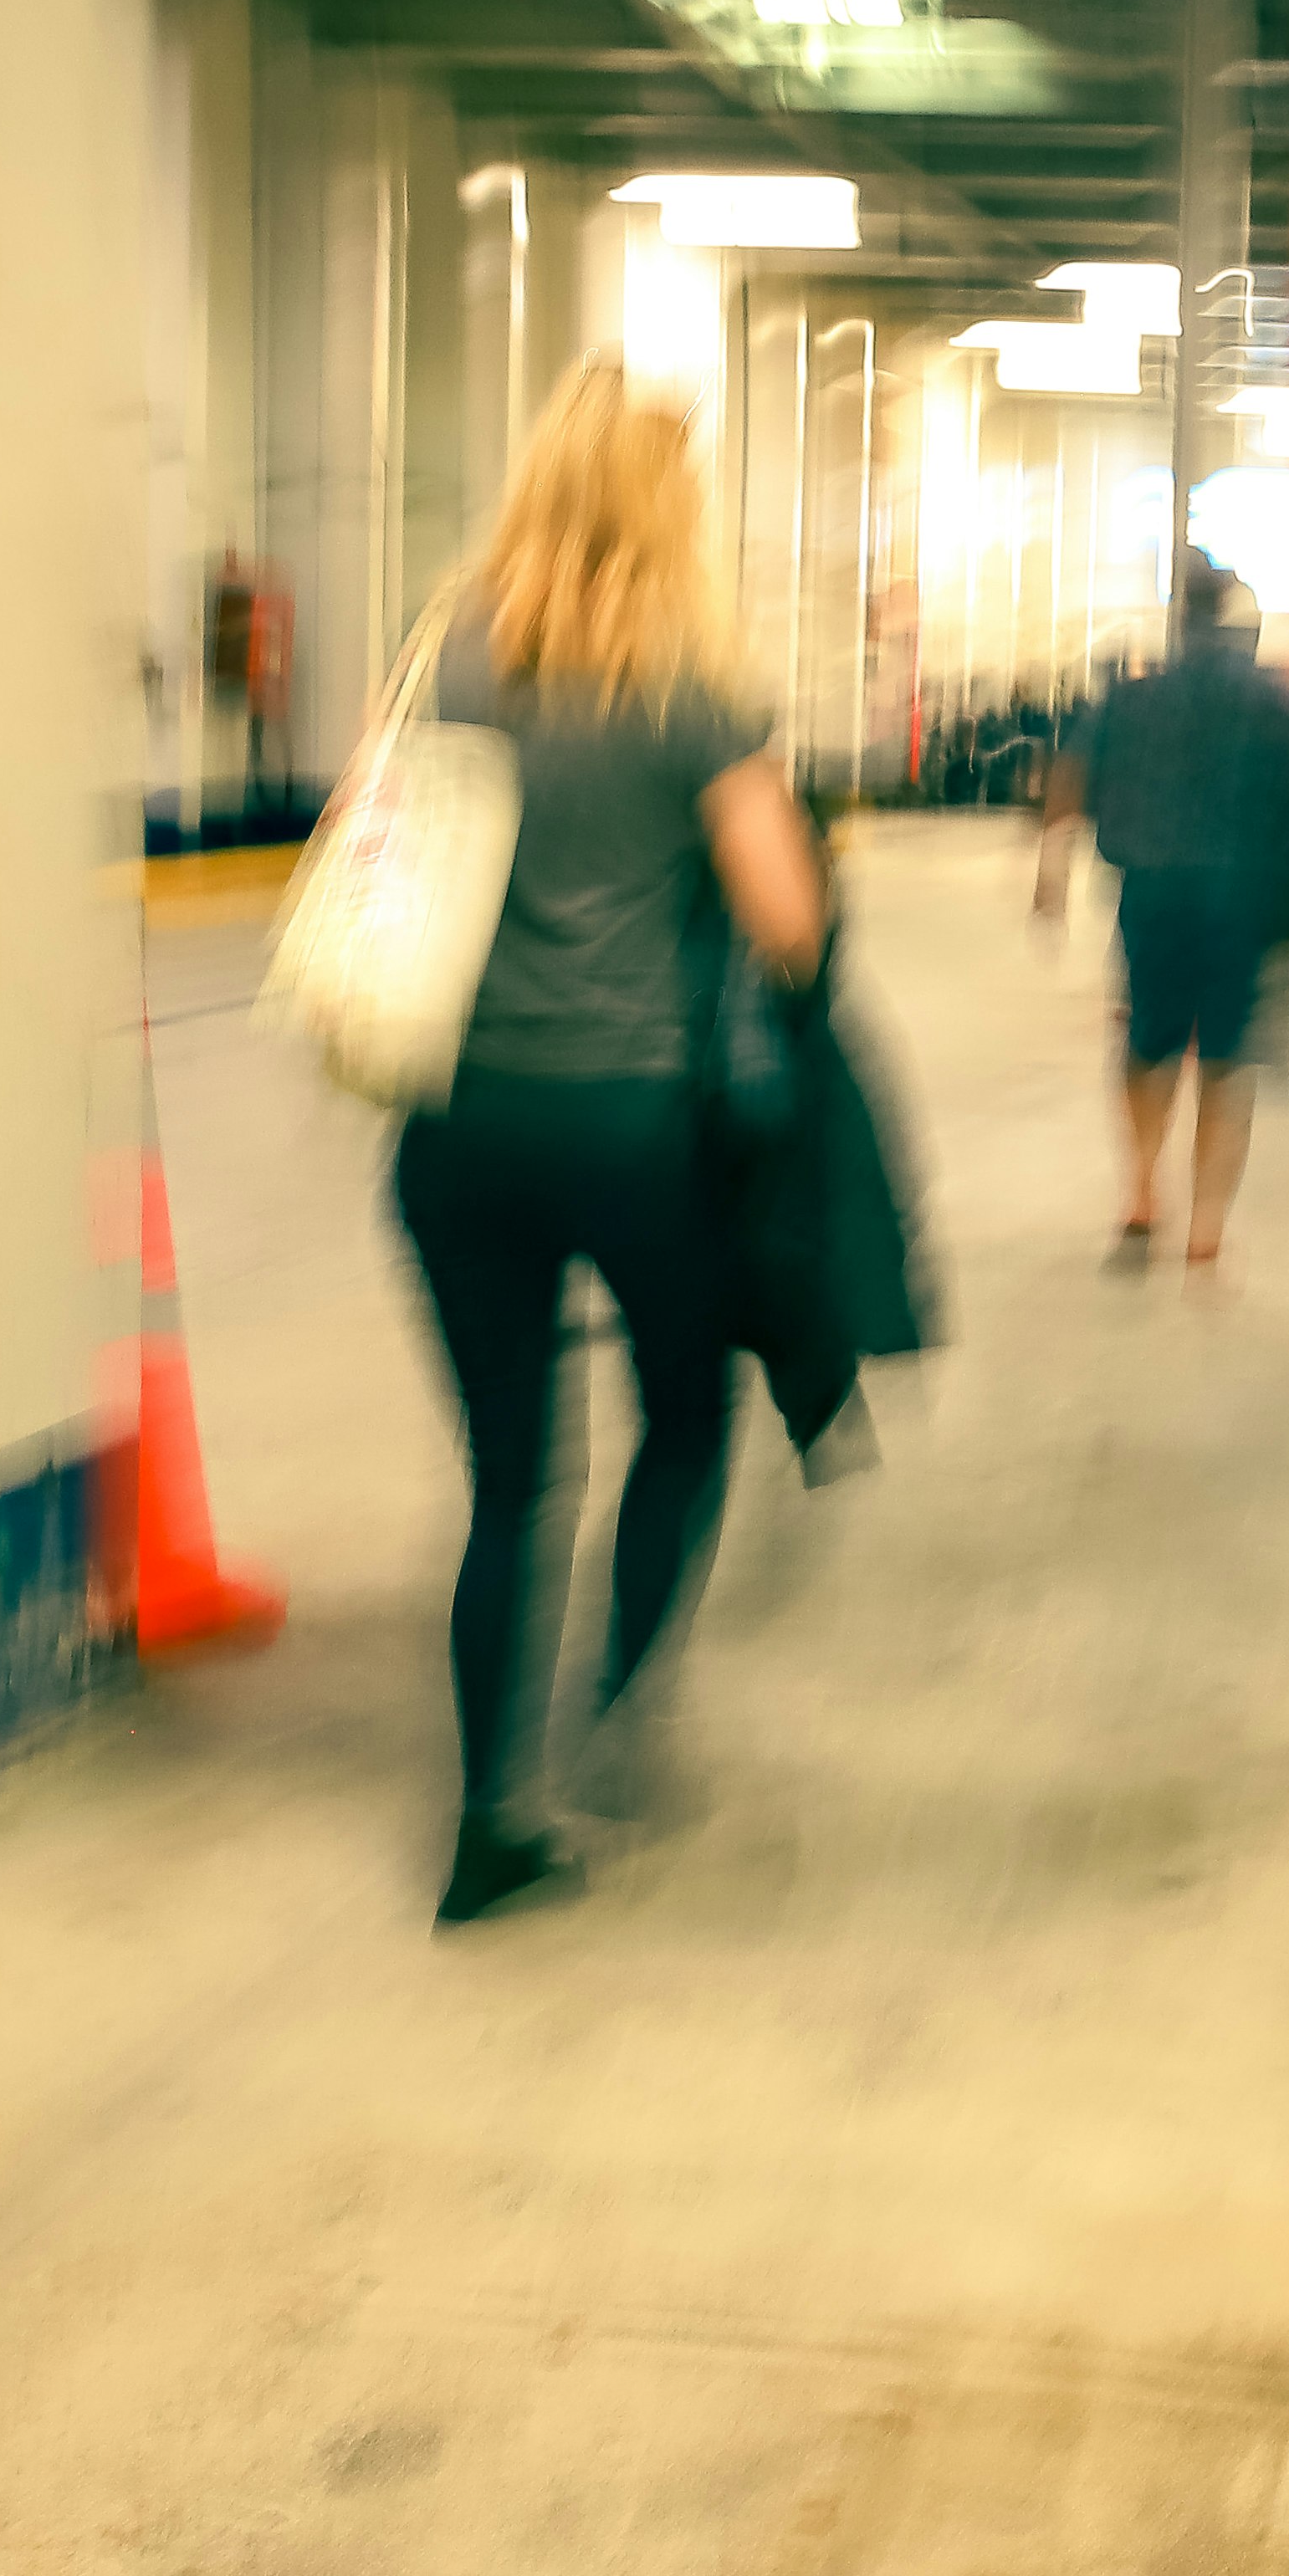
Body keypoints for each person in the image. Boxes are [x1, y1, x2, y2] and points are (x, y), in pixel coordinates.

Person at [396, 356, 828, 1929]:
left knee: (510, 1481)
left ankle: (486, 1823)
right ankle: (624, 1708)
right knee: (687, 1415)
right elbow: (787, 921)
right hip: (635, 1126)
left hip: (454, 1130)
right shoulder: (686, 684)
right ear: (670, 516)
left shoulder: (448, 653)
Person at [1033, 561, 1289, 1266]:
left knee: (1146, 1043)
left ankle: (1141, 1189)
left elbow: (1070, 779)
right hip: (1246, 900)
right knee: (1228, 1061)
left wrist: (1048, 878)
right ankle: (1205, 1228)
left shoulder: (1133, 700)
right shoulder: (1279, 703)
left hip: (1152, 892)